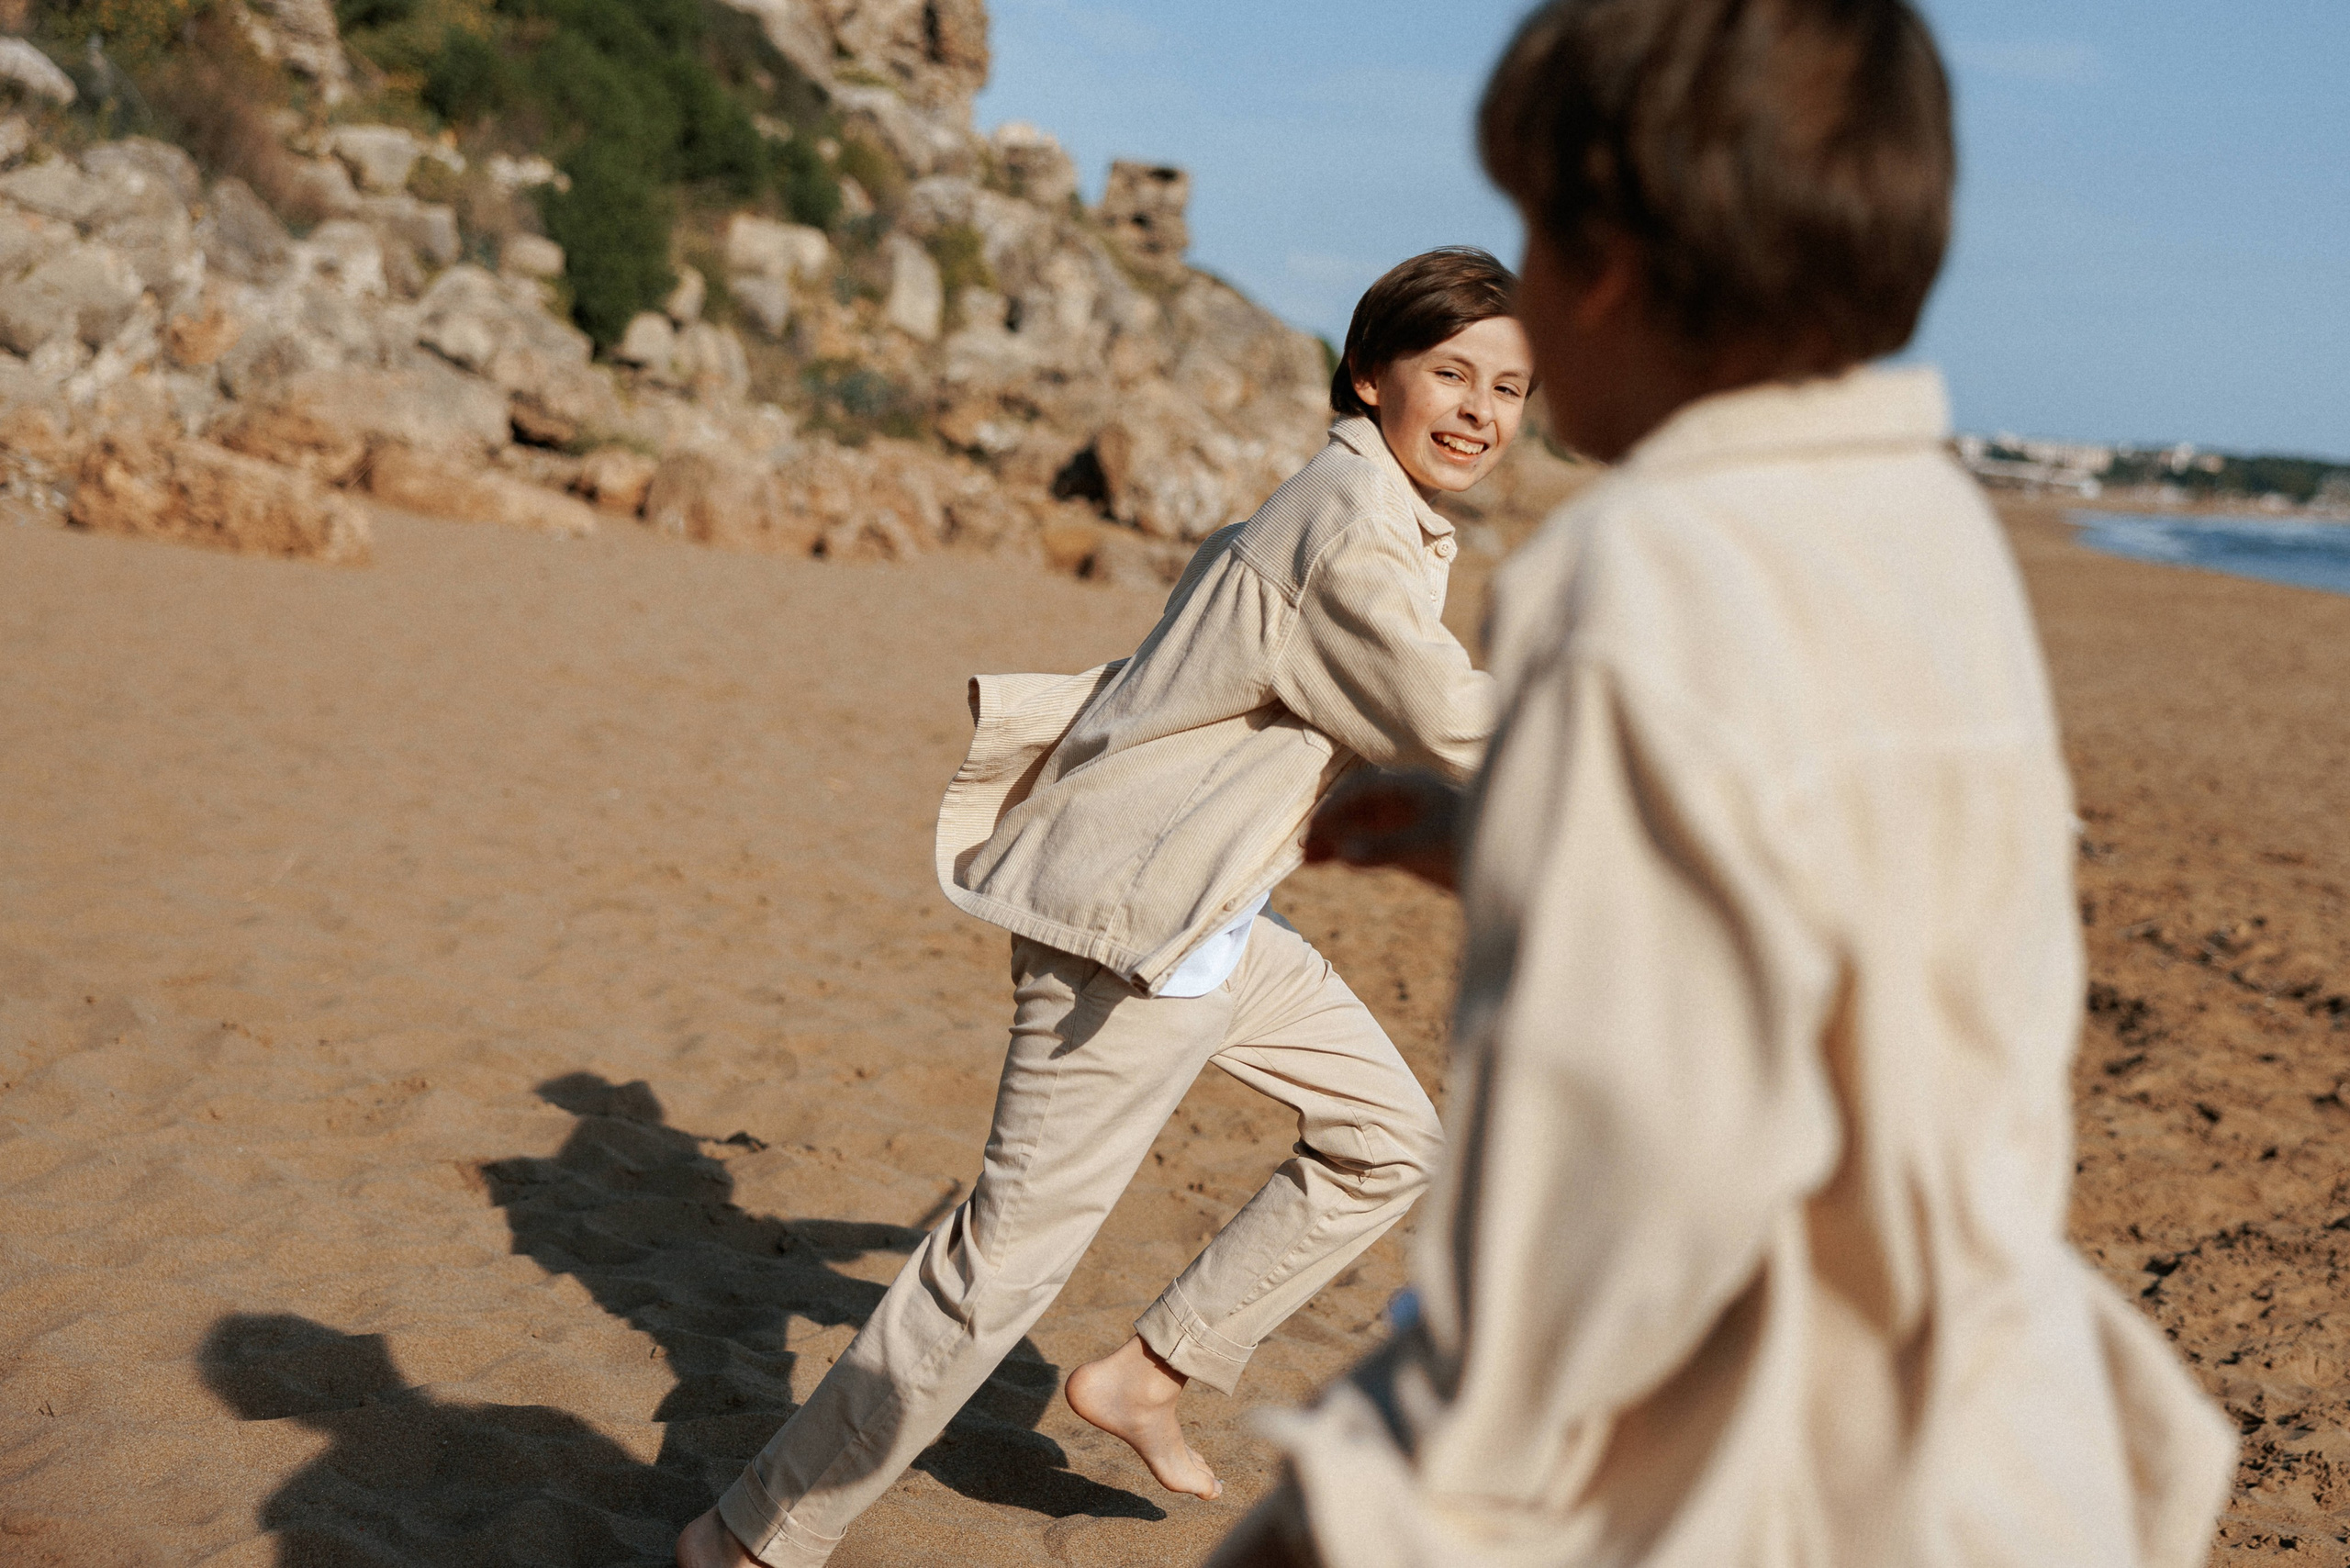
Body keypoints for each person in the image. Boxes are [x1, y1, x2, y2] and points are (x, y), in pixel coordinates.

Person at [1214, 2, 2238, 1565]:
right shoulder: (1936, 539)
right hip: (1979, 1427)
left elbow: (1604, 1164)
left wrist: (1408, 1490)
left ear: (1609, 265)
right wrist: (1508, 837)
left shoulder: (1631, 577)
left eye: (1536, 244)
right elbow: (1811, 901)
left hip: (1747, 1461)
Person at [677, 248, 1538, 1568]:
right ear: (1372, 375)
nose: (1482, 410)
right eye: (1453, 374)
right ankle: (749, 1542)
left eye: (1512, 388)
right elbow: (1432, 711)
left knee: (1386, 1139)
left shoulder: (1373, 506)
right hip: (1136, 936)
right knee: (994, 1277)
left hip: (1212, 916)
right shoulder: (1350, 518)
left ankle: (1151, 1373)